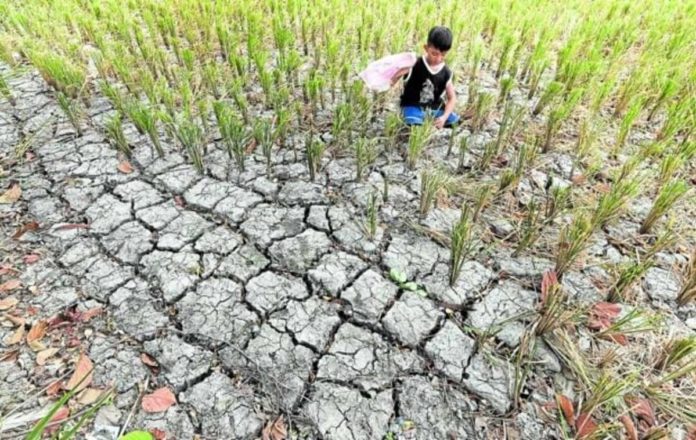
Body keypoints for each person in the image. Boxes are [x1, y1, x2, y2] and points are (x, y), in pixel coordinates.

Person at [391, 26, 459, 129]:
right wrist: (398, 74)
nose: (438, 58)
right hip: (413, 105)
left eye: (443, 55)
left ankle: (433, 121)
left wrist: (444, 117)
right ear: (426, 48)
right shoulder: (414, 64)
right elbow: (392, 80)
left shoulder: (446, 72)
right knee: (413, 123)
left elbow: (452, 98)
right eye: (434, 54)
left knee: (455, 121)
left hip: (433, 107)